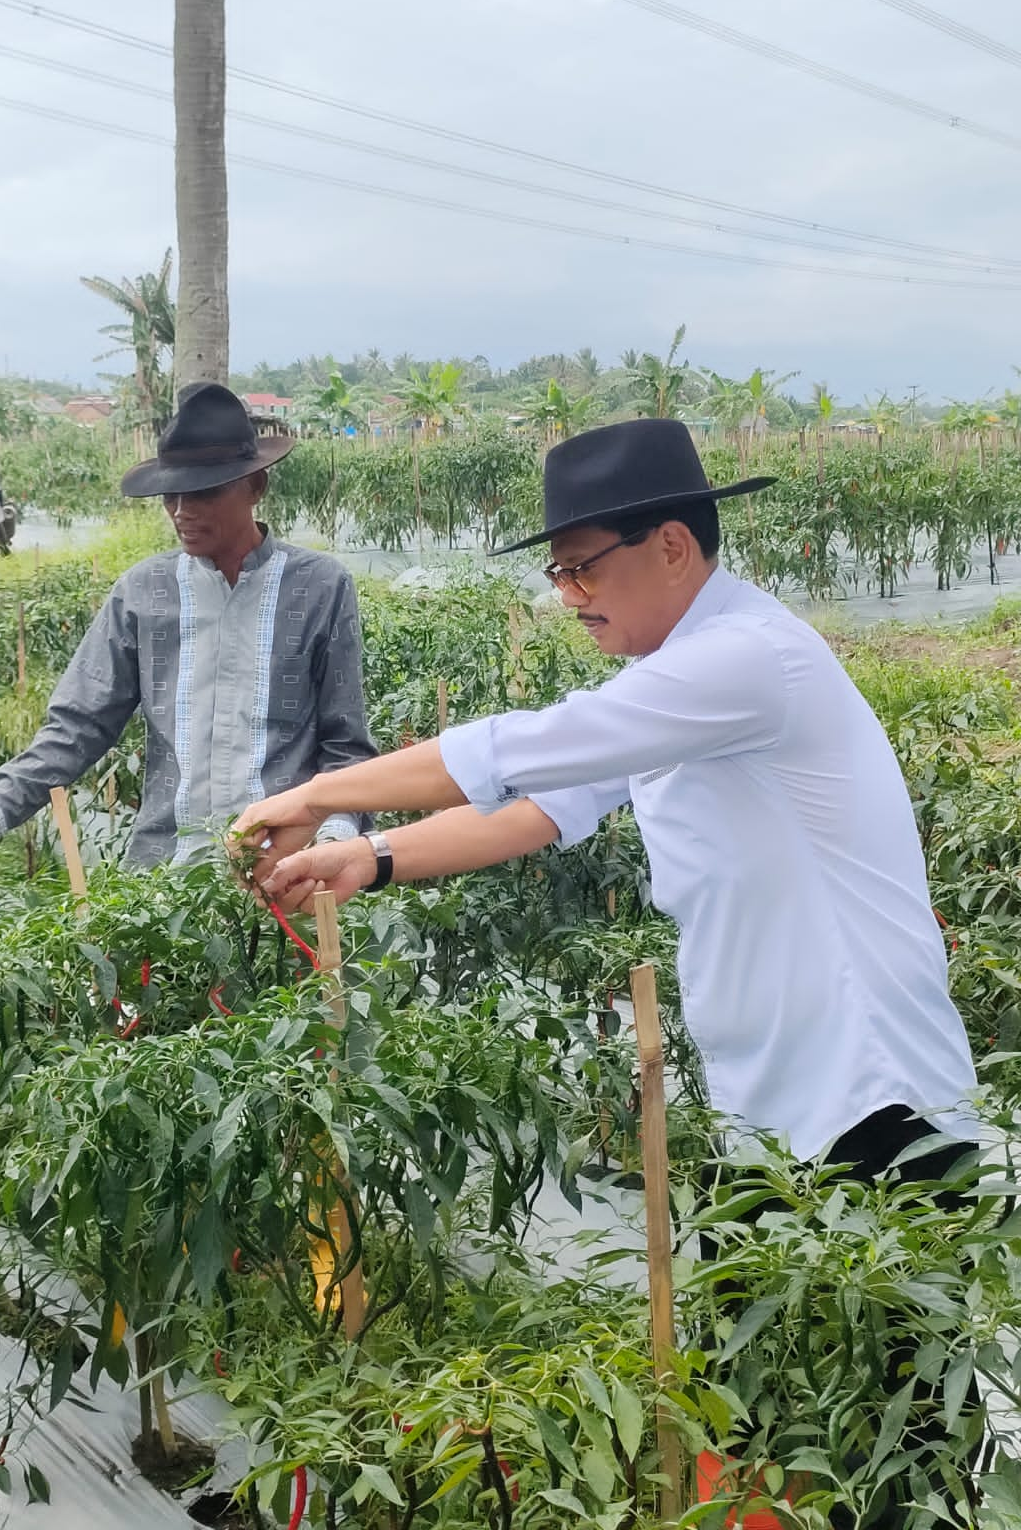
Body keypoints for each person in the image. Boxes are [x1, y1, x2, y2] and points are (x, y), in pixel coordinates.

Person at [235, 418, 981, 1522]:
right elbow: (544, 808)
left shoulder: (745, 660)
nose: (568, 592)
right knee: (778, 1423)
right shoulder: (679, 673)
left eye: (584, 565)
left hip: (875, 1105)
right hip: (775, 1116)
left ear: (672, 545)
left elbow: (528, 746)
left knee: (904, 1449)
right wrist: (368, 858)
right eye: (558, 571)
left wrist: (309, 796)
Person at [0, 382, 375, 870]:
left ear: (255, 487)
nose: (182, 511)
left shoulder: (320, 587)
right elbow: (78, 725)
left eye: (203, 492)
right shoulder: (143, 592)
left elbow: (345, 744)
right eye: (170, 495)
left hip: (287, 870)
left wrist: (334, 844)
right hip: (162, 880)